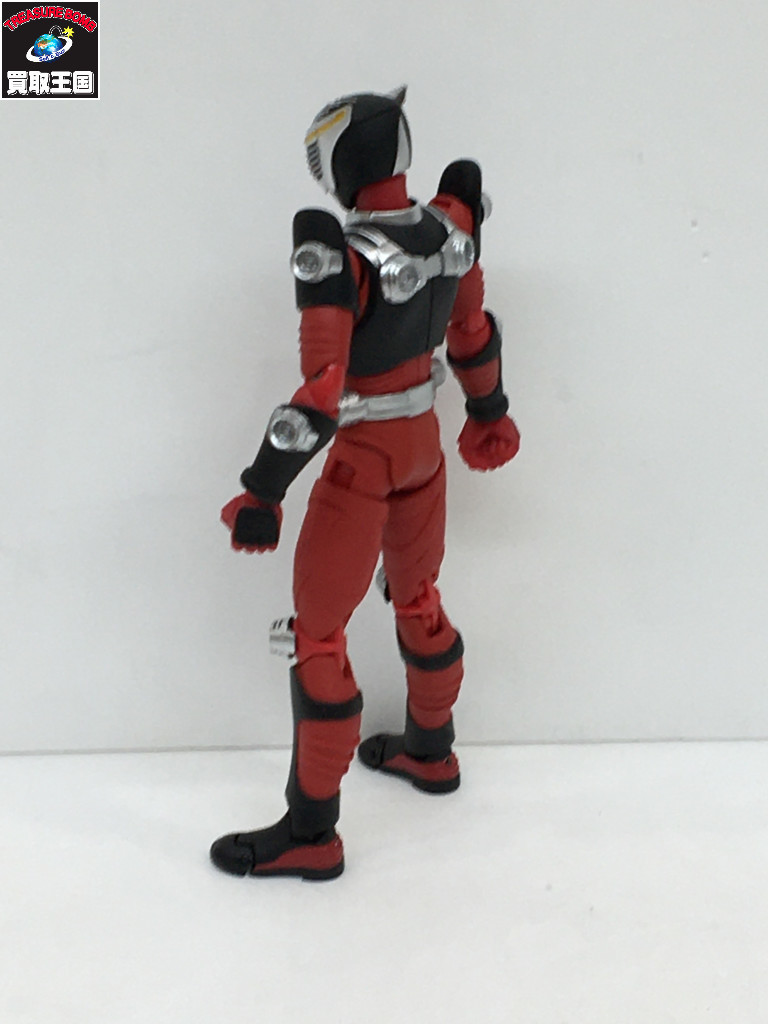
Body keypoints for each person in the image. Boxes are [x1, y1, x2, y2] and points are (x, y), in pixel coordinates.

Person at [210, 87, 520, 880]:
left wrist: (263, 491)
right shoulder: (452, 226)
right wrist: (488, 412)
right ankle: (431, 749)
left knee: (317, 636)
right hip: (422, 449)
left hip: (364, 457)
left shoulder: (339, 251)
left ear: (338, 162)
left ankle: (311, 832)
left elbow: (321, 392)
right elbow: (472, 333)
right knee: (418, 598)